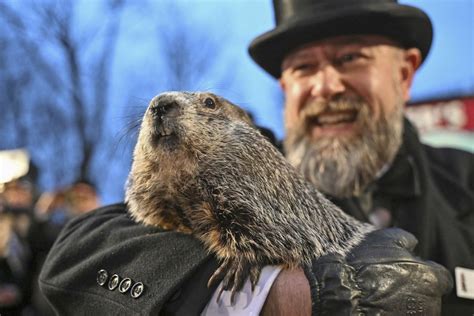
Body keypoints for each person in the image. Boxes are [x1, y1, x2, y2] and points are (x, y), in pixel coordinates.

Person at [39, 0, 471, 315]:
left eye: (350, 58)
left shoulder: (466, 178)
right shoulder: (239, 161)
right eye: (303, 68)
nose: (326, 86)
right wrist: (278, 295)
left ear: (404, 73)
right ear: (285, 89)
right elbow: (75, 258)